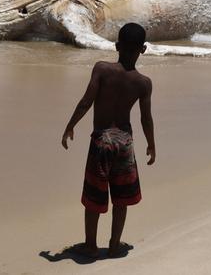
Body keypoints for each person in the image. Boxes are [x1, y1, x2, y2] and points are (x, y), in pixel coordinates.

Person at [61, 22, 156, 258]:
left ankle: (91, 245)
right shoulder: (143, 83)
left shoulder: (102, 69)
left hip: (101, 141)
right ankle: (114, 245)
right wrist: (151, 144)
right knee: (121, 200)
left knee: (94, 198)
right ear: (143, 49)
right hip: (124, 143)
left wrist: (70, 125)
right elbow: (146, 118)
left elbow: (86, 101)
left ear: (116, 45)